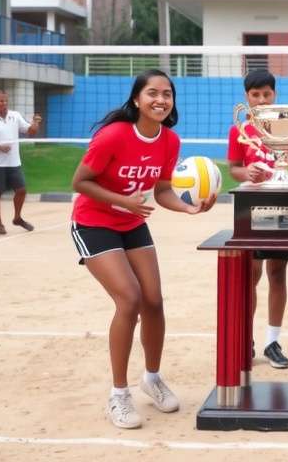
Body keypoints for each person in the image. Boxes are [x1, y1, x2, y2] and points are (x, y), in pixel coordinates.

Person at [70, 69, 215, 429]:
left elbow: (163, 190)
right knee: (130, 300)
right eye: (152, 93)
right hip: (93, 222)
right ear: (137, 99)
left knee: (154, 300)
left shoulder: (169, 141)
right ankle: (118, 394)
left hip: (132, 222)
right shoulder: (113, 135)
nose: (160, 100)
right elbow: (79, 182)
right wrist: (123, 200)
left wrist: (189, 207)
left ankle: (151, 378)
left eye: (167, 94)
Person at [227, 69, 288, 369]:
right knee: (251, 275)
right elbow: (233, 168)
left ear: (275, 94)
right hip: (250, 206)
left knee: (277, 274)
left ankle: (273, 342)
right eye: (255, 95)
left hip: (285, 204)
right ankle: (246, 339)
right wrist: (248, 173)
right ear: (247, 97)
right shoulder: (239, 130)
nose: (261, 99)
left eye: (266, 94)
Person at [0, 89, 42, 235]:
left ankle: (17, 217)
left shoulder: (15, 116)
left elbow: (30, 132)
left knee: (22, 191)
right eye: (1, 101)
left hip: (14, 163)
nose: (4, 103)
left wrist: (36, 122)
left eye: (6, 101)